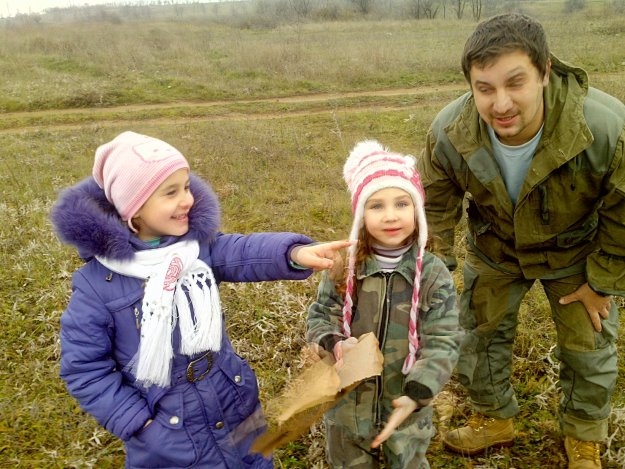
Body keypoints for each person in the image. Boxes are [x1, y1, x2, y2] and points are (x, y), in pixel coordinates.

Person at [49, 130, 351, 469]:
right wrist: (140, 424)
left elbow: (243, 252)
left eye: (187, 187)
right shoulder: (98, 285)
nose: (187, 200)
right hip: (167, 431)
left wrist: (295, 253)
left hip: (231, 399)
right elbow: (85, 370)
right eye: (171, 192)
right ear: (133, 209)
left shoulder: (197, 248)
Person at [416, 12, 625, 469]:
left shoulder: (605, 128)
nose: (501, 104)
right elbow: (433, 209)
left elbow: (624, 213)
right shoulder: (451, 133)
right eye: (484, 88)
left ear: (545, 72)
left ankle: (583, 436)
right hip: (497, 248)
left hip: (575, 252)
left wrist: (602, 281)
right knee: (479, 337)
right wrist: (431, 276)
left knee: (588, 348)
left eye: (516, 83)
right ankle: (496, 419)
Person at [306, 140, 462, 468]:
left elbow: (443, 340)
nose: (390, 216)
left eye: (402, 204)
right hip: (347, 410)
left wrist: (418, 392)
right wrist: (332, 343)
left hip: (406, 413)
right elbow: (321, 316)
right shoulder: (343, 267)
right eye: (376, 206)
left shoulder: (433, 274)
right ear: (360, 214)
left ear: (417, 211)